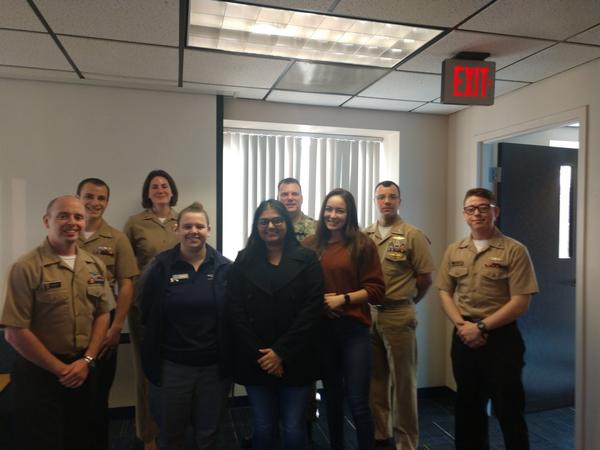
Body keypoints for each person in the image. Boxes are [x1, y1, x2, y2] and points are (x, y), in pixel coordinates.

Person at [1, 196, 112, 450]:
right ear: (46, 221)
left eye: (78, 217)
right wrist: (61, 370)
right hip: (40, 374)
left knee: (83, 437)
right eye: (63, 216)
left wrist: (86, 361)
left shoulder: (94, 264)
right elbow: (15, 331)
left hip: (83, 369)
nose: (72, 222)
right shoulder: (26, 267)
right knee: (43, 440)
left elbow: (103, 314)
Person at [435, 188, 539, 450]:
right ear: (464, 215)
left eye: (483, 207)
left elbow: (520, 302)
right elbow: (444, 291)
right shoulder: (454, 250)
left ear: (495, 211)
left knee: (508, 408)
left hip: (501, 338)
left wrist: (480, 327)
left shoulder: (515, 250)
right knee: (468, 406)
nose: (477, 213)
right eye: (471, 208)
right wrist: (462, 326)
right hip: (463, 336)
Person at [227, 199, 324, 450]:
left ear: (286, 224)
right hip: (257, 359)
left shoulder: (307, 258)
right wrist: (265, 356)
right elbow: (235, 311)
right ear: (256, 226)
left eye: (277, 220)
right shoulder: (243, 260)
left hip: (297, 357)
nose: (270, 226)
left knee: (293, 427)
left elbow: (311, 310)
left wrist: (280, 353)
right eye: (264, 221)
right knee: (262, 426)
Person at [138, 202, 231, 450]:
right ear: (177, 230)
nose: (194, 231)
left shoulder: (224, 267)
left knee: (208, 435)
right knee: (171, 436)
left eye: (200, 226)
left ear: (208, 230)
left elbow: (232, 315)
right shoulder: (160, 267)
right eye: (187, 226)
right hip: (172, 368)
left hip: (213, 369)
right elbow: (145, 309)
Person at [305, 188, 385, 450]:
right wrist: (320, 304)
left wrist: (343, 299)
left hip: (353, 331)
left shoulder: (363, 244)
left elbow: (376, 290)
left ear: (349, 213)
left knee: (358, 400)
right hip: (322, 331)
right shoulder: (309, 245)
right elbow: (299, 287)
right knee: (333, 399)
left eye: (340, 210)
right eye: (329, 209)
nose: (333, 215)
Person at [365, 181, 434, 450]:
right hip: (370, 315)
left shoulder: (412, 235)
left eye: (392, 196)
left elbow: (425, 278)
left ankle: (406, 440)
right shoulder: (365, 235)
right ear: (375, 200)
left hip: (398, 314)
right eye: (381, 197)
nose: (387, 201)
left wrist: (408, 302)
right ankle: (381, 432)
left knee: (404, 383)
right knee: (376, 380)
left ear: (400, 201)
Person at [76, 178, 140, 450]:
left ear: (107, 203)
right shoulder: (65, 232)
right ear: (78, 197)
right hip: (66, 330)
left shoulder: (117, 238)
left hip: (103, 328)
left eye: (101, 199)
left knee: (98, 399)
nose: (95, 203)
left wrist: (116, 328)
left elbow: (127, 283)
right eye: (89, 196)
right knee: (68, 400)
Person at [124, 169, 180, 450]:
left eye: (165, 185)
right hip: (143, 308)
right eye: (155, 186)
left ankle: (173, 430)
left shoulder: (181, 221)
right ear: (147, 192)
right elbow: (125, 268)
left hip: (178, 308)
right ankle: (148, 436)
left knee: (174, 371)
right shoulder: (135, 223)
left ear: (172, 191)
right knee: (146, 371)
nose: (160, 189)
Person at [277, 177, 316, 242]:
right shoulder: (271, 228)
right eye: (285, 194)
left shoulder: (316, 228)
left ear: (301, 199)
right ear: (278, 199)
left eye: (295, 194)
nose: (290, 198)